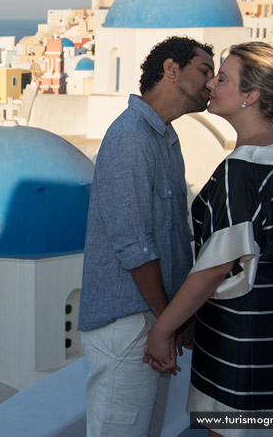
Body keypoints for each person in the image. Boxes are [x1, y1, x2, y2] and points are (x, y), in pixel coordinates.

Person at [145, 42, 273, 437]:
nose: (211, 84)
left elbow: (215, 266)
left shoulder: (241, 170)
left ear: (250, 96)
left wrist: (164, 328)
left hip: (243, 334)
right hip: (271, 323)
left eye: (223, 78)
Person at [78, 36, 215, 437]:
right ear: (171, 69)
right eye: (204, 71)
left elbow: (175, 235)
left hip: (152, 319)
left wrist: (178, 316)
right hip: (130, 324)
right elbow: (133, 246)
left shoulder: (164, 138)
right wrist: (166, 320)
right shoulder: (130, 138)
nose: (210, 83)